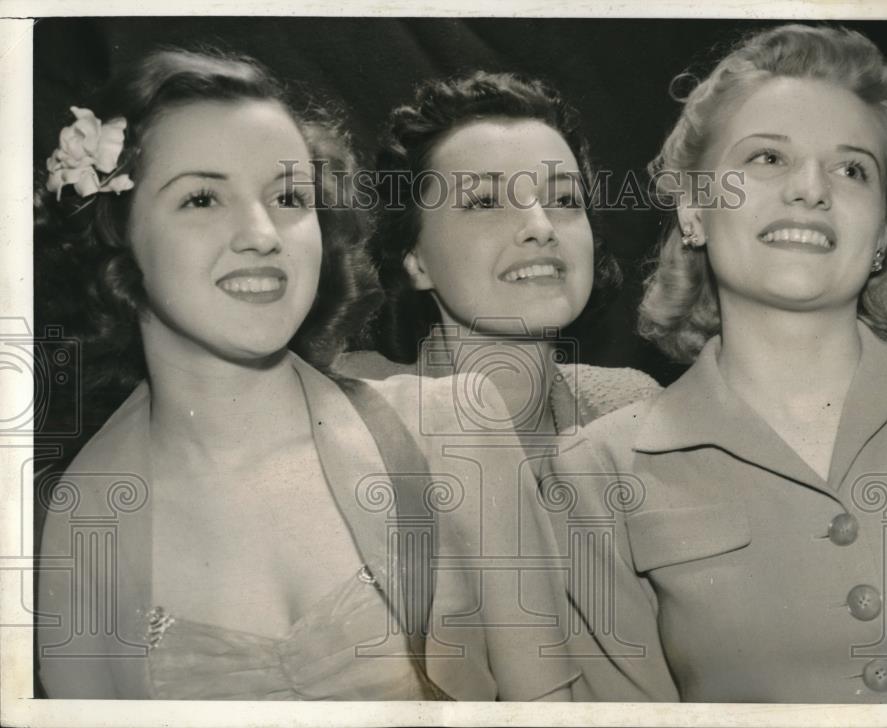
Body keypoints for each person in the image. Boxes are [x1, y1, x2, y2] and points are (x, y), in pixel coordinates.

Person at [35, 48, 578, 701]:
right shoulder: (70, 527)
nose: (263, 233)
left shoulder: (457, 429)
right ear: (117, 235)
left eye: (289, 195)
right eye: (203, 198)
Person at [546, 24, 887, 702]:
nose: (811, 188)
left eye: (852, 169)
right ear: (693, 208)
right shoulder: (598, 470)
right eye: (766, 159)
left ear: (881, 236)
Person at [333, 71, 660, 443]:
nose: (541, 226)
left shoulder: (631, 408)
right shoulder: (341, 407)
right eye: (485, 201)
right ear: (415, 258)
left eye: (565, 200)